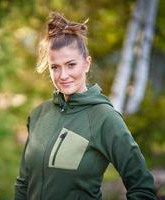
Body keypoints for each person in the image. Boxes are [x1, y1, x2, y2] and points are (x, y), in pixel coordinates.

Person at [14, 12, 156, 200]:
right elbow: (23, 184)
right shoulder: (39, 115)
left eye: (71, 64)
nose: (63, 75)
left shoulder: (104, 118)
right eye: (55, 67)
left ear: (86, 64)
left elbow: (142, 188)